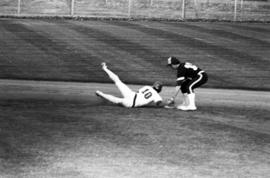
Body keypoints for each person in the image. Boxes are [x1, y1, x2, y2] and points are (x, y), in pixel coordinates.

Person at [96, 62, 165, 108]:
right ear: (159, 90)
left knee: (118, 81)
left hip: (131, 94)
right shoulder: (156, 95)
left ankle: (105, 68)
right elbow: (159, 104)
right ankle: (100, 94)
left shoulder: (147, 87)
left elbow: (139, 92)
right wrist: (167, 105)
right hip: (131, 103)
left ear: (154, 86)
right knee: (116, 100)